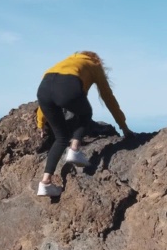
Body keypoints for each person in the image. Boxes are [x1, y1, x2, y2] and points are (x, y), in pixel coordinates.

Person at [34, 51, 131, 196]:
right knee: (85, 114)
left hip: (43, 90)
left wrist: (40, 123)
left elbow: (46, 97)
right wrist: (123, 126)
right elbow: (107, 97)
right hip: (67, 89)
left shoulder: (61, 65)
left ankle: (45, 183)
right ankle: (74, 149)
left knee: (61, 138)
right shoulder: (93, 65)